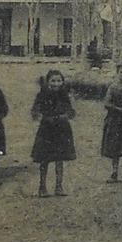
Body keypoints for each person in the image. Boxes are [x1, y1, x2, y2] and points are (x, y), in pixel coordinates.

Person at [29, 69, 77, 197]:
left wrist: (66, 115)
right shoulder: (42, 94)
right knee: (45, 158)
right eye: (53, 81)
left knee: (59, 159)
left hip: (62, 129)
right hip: (47, 129)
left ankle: (59, 187)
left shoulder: (65, 95)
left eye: (59, 81)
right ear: (48, 82)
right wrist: (43, 117)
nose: (56, 84)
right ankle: (42, 187)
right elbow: (35, 111)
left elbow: (71, 111)